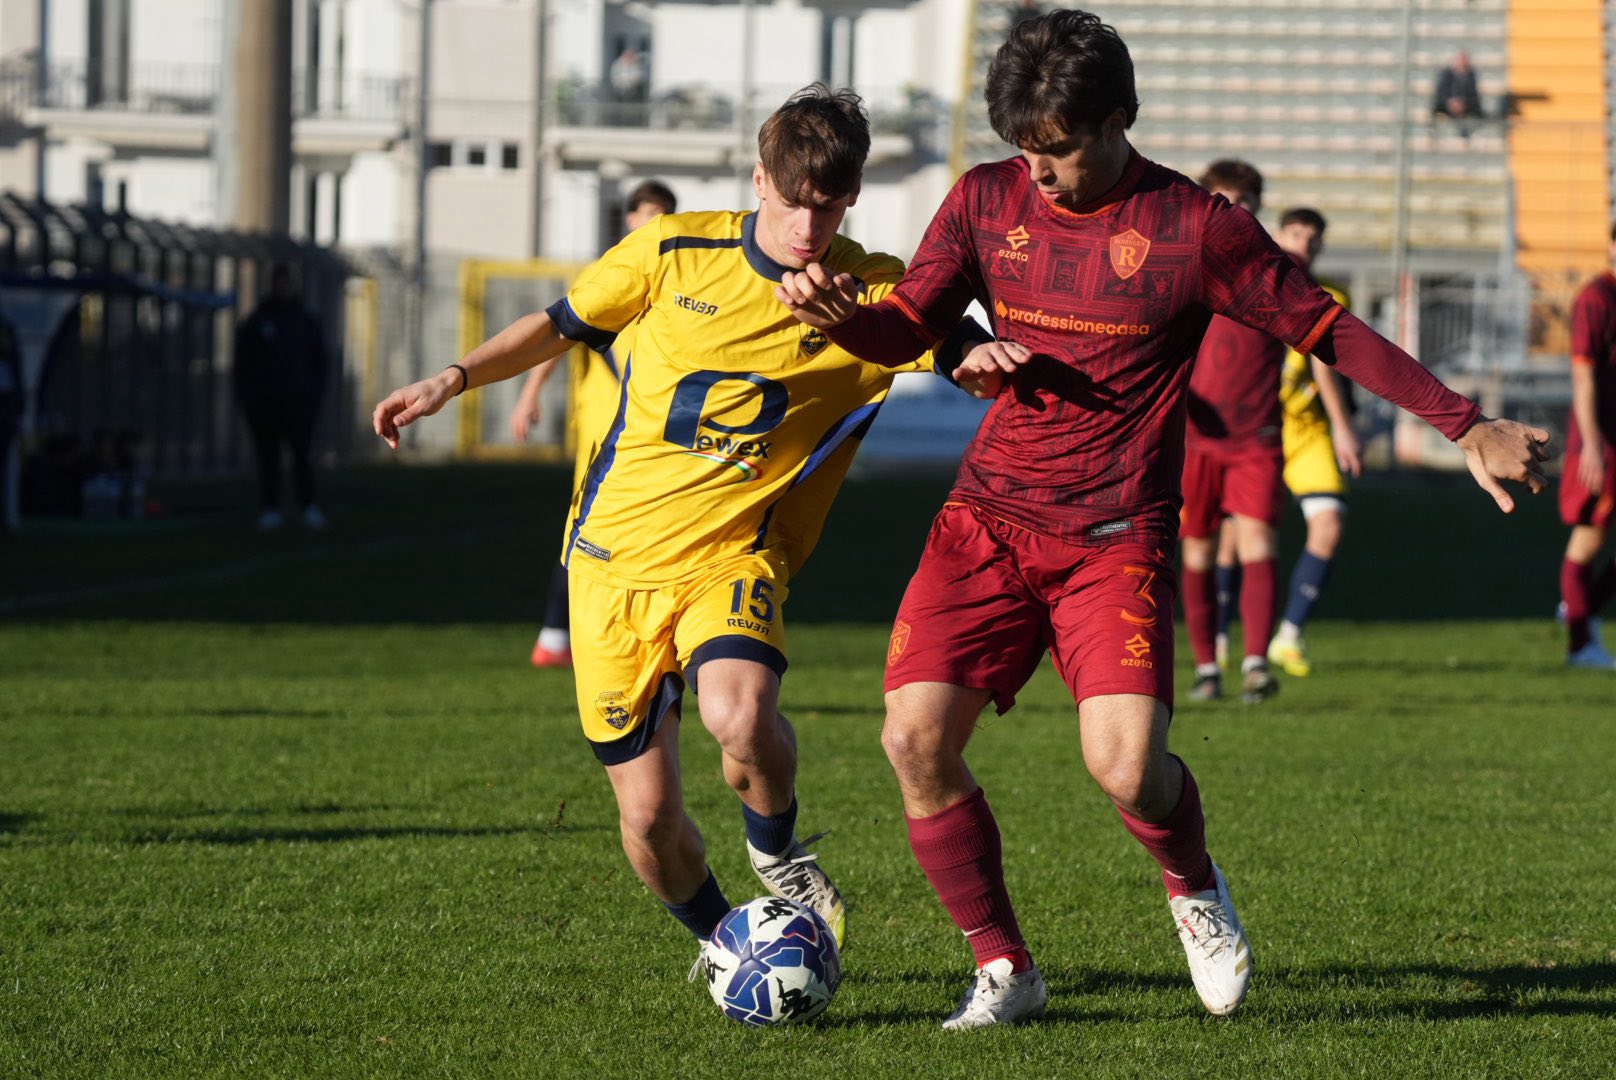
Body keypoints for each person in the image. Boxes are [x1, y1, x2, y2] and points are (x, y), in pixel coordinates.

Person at [776, 9, 1549, 1029]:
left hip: (1112, 534)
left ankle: (1192, 887)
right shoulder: (980, 200)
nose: (1038, 175)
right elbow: (907, 326)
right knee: (912, 740)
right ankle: (1006, 968)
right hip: (987, 518)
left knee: (1127, 769)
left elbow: (1326, 327)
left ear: (1116, 121)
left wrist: (1460, 424)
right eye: (1024, 152)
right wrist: (848, 320)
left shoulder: (1195, 229)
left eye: (1055, 152)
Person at [374, 85, 986, 970]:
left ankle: (777, 849)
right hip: (609, 561)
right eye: (789, 202)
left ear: (850, 198)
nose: (806, 229)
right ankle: (728, 944)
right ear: (756, 179)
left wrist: (985, 360)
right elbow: (556, 329)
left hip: (736, 554)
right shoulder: (671, 251)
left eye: (828, 207)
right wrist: (451, 379)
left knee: (739, 717)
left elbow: (953, 341)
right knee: (650, 820)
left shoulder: (872, 289)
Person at [509, 179, 678, 668]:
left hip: (659, 432)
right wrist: (530, 391)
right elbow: (561, 332)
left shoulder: (681, 274)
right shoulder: (610, 270)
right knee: (586, 530)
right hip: (605, 428)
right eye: (646, 213)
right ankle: (558, 636)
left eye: (662, 215)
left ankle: (637, 639)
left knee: (654, 530)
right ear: (628, 220)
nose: (652, 223)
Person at [1178, 160, 1287, 704]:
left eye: (1246, 201)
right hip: (1195, 439)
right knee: (1196, 551)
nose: (1236, 210)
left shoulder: (1277, 271)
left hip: (1255, 437)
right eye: (1225, 200)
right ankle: (1205, 667)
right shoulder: (1186, 269)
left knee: (1257, 542)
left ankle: (1256, 663)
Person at [1266, 208, 1361, 675]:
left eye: (1312, 238)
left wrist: (1343, 427)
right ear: (1279, 235)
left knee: (1330, 524)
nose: (1303, 243)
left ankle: (1288, 635)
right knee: (1228, 539)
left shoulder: (1330, 296)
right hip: (1257, 426)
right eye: (1295, 234)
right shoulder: (1251, 290)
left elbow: (1327, 368)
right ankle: (1220, 644)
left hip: (1307, 431)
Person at [1559, 225, 1616, 669]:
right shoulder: (1597, 297)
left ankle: (1579, 610)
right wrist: (1593, 445)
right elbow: (1583, 376)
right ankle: (1581, 642)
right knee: (1588, 538)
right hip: (1600, 440)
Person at [234, 263, 329, 530]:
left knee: (302, 456)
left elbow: (319, 362)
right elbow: (244, 364)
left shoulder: (305, 321)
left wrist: (313, 396)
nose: (283, 287)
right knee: (268, 457)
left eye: (287, 282)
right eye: (279, 282)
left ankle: (308, 506)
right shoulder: (257, 321)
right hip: (265, 404)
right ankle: (270, 508)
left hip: (298, 403)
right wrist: (247, 398)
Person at [1432, 50, 1484, 136]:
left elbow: (1473, 95)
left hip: (1466, 109)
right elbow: (1441, 93)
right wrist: (1450, 103)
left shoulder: (1471, 75)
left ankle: (1466, 135)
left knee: (1475, 116)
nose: (1462, 62)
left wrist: (1463, 104)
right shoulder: (1446, 74)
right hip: (1446, 107)